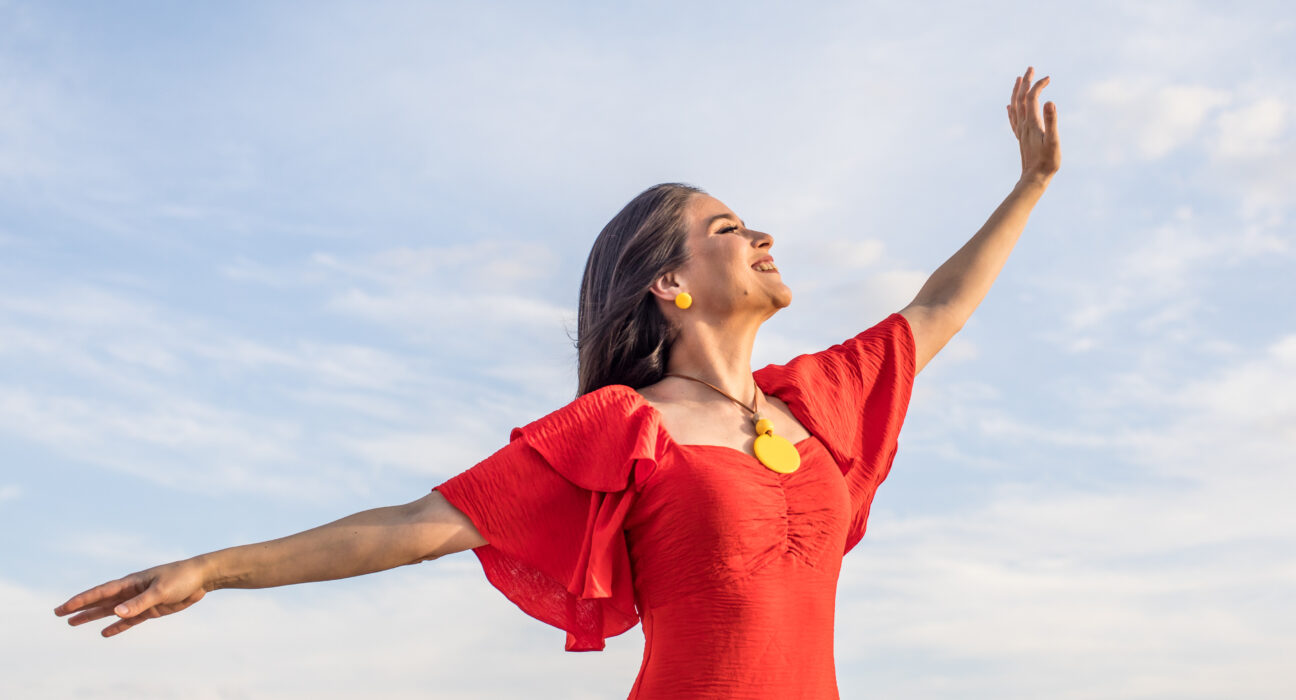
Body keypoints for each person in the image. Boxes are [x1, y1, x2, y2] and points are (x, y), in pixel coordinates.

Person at [55, 67, 1060, 698]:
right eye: (727, 230)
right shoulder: (624, 427)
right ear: (670, 284)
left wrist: (1028, 184)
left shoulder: (812, 402)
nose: (760, 238)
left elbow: (935, 311)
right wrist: (212, 568)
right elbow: (415, 524)